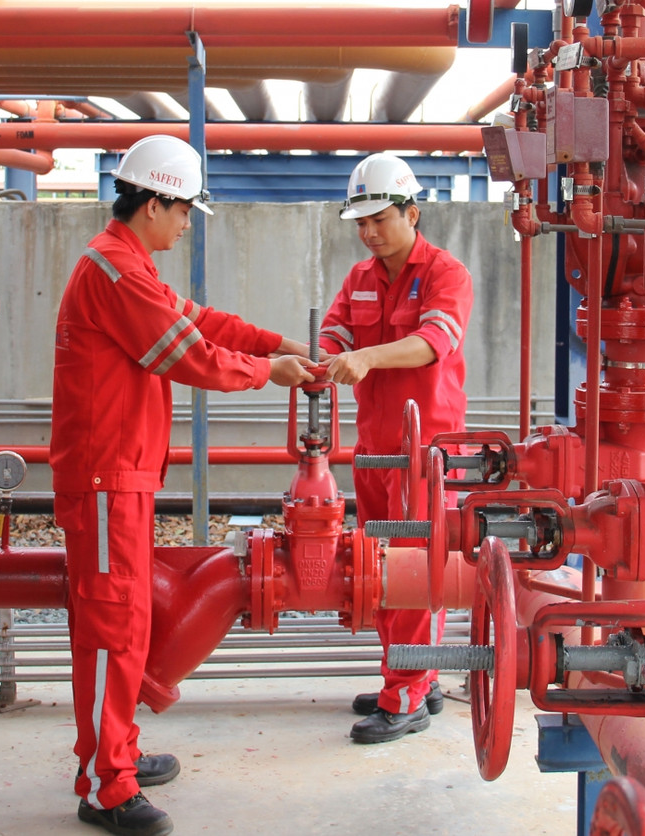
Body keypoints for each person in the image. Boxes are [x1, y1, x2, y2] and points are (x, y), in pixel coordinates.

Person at [51, 134, 317, 836]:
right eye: (184, 211)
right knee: (111, 630)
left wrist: (276, 343)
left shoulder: (128, 264)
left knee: (127, 624)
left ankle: (116, 756)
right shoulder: (114, 271)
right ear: (154, 203)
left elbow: (197, 319)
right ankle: (106, 787)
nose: (187, 223)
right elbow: (186, 353)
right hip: (106, 481)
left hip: (120, 477)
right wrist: (268, 373)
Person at [319, 152, 473, 744]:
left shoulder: (445, 274)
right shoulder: (361, 278)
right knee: (382, 569)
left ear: (412, 213)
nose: (369, 232)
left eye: (379, 219)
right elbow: (333, 335)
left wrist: (364, 357)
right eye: (361, 222)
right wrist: (312, 359)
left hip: (423, 453)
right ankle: (412, 678)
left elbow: (434, 342)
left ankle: (405, 695)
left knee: (413, 573)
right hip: (375, 449)